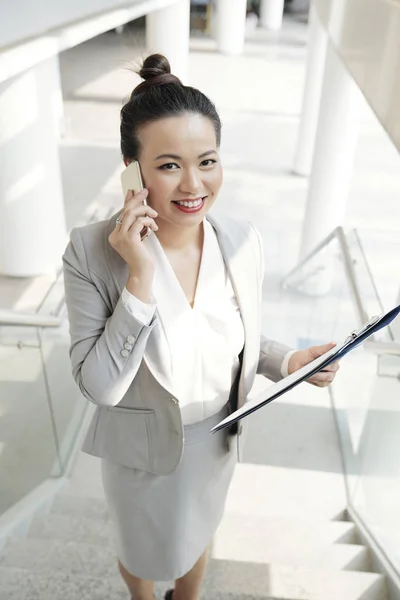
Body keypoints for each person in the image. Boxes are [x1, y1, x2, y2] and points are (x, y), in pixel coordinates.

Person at [62, 53, 339, 600]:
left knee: (200, 533)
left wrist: (287, 362)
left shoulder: (241, 239)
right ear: (131, 169)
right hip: (141, 451)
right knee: (140, 551)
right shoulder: (92, 252)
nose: (194, 184)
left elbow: (234, 339)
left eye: (207, 160)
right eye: (168, 165)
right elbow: (100, 385)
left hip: (215, 439)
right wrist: (139, 276)